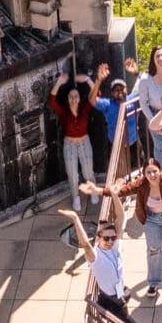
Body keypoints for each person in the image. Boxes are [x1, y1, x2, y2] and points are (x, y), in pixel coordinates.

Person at [98, 151, 162, 296]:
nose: (152, 175)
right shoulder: (141, 184)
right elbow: (123, 191)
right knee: (154, 252)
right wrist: (99, 190)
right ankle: (154, 283)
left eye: (155, 171)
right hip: (152, 220)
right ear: (144, 174)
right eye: (149, 172)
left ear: (160, 171)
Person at [47, 66, 100, 219]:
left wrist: (89, 80)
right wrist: (59, 82)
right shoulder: (64, 112)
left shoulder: (84, 109)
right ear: (68, 99)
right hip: (69, 144)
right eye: (71, 96)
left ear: (79, 98)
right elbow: (52, 100)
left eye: (76, 96)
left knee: (88, 170)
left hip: (84, 142)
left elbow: (96, 95)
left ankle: (93, 191)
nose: (74, 99)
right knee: (72, 173)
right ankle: (76, 196)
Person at [85, 219, 139, 323]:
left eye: (113, 238)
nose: (110, 241)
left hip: (119, 295)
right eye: (106, 238)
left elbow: (121, 216)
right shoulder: (95, 257)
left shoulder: (113, 247)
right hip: (109, 302)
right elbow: (85, 245)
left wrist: (115, 199)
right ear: (98, 238)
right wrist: (75, 219)